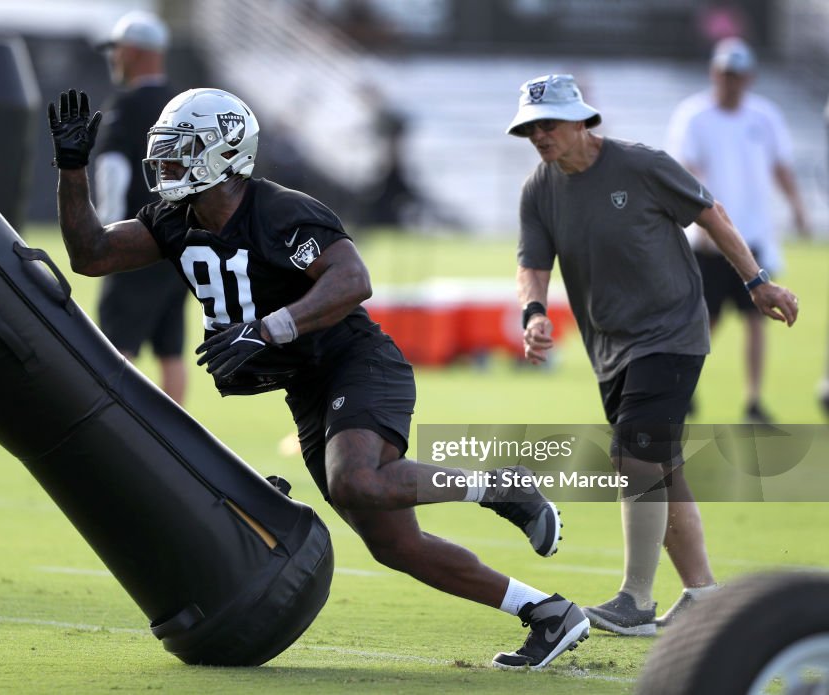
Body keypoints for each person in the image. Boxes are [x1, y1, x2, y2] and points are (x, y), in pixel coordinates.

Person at [48, 86, 590, 669]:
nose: (168, 164)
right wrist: (72, 169)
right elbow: (92, 254)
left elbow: (352, 278)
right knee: (394, 544)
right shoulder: (173, 219)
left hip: (354, 361)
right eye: (167, 150)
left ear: (225, 153)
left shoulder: (278, 210)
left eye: (183, 150)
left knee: (355, 481)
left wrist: (267, 329)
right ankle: (548, 613)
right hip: (309, 388)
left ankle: (503, 487)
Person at [508, 74, 799, 635]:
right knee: (660, 466)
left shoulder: (641, 166)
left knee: (636, 456)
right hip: (610, 347)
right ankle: (702, 594)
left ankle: (635, 602)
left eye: (547, 124)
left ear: (580, 121)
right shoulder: (538, 189)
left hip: (672, 333)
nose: (538, 136)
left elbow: (711, 212)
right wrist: (534, 312)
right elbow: (532, 263)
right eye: (529, 128)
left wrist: (757, 281)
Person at [666, 37, 810, 424]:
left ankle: (753, 401)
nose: (730, 82)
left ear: (749, 77)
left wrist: (797, 206)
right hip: (709, 241)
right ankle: (685, 392)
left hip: (754, 239)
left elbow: (781, 166)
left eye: (737, 75)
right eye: (725, 74)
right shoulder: (694, 116)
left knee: (756, 319)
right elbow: (685, 171)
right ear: (715, 73)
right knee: (703, 322)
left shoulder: (764, 117)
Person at [92, 11, 188, 404]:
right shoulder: (183, 104)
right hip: (184, 236)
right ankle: (177, 440)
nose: (113, 59)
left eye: (117, 51)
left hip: (138, 236)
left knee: (115, 346)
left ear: (131, 52)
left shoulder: (127, 105)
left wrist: (107, 231)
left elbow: (113, 170)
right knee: (171, 347)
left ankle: (116, 428)